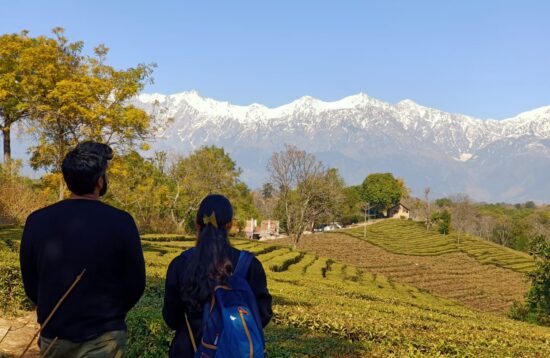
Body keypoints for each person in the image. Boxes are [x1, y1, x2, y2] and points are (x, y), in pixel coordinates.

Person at [20, 141, 146, 357]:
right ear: (99, 182)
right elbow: (136, 283)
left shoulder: (37, 221)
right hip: (105, 335)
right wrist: (113, 313)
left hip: (55, 334)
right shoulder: (121, 222)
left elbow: (31, 283)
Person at [163, 194, 272, 357]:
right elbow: (262, 315)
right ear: (230, 225)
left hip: (187, 351)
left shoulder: (180, 264)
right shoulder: (249, 265)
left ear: (196, 223)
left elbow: (171, 318)